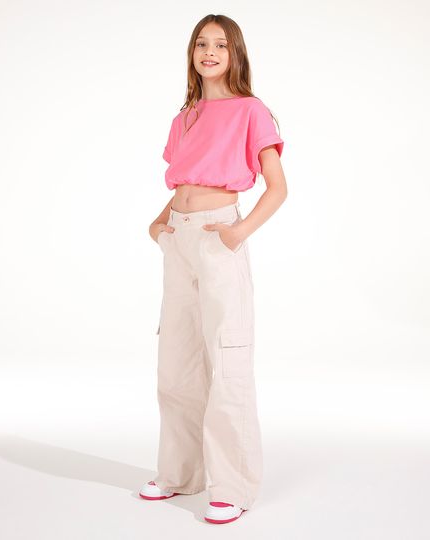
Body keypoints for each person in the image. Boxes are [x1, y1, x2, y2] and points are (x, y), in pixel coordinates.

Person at [139, 14, 287, 524]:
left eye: (220, 45)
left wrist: (237, 233)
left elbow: (277, 187)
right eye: (201, 43)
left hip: (219, 236)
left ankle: (233, 487)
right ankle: (181, 474)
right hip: (179, 238)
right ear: (192, 53)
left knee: (228, 358)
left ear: (234, 53)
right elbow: (183, 182)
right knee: (176, 360)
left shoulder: (251, 110)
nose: (209, 52)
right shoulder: (185, 117)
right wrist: (159, 224)